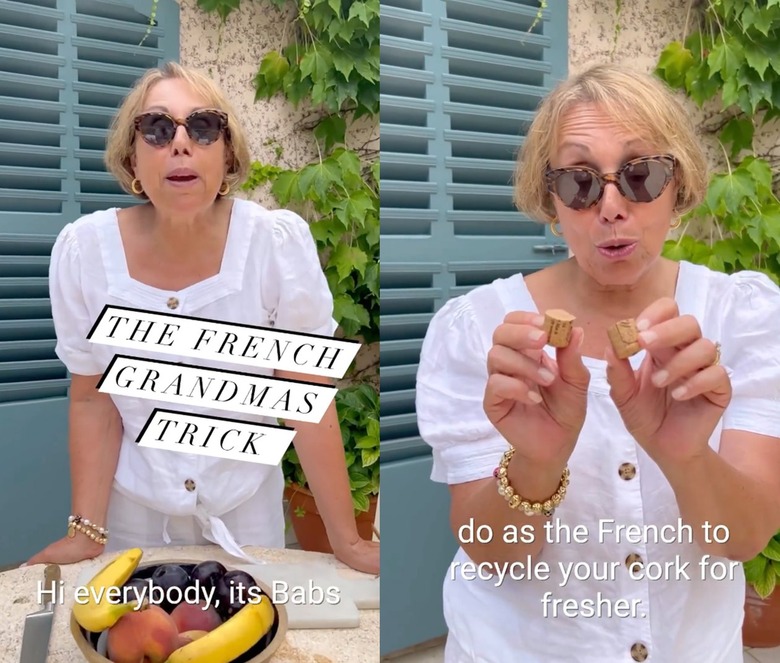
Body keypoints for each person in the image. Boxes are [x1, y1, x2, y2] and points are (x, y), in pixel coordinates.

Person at [415, 63, 780, 662]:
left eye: (640, 175)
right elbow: (490, 550)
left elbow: (744, 537)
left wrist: (685, 456)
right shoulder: (482, 333)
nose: (611, 207)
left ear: (678, 183)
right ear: (550, 199)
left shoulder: (743, 318)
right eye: (580, 183)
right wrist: (537, 461)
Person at [26, 62, 379, 575]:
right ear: (132, 155)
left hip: (246, 513)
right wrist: (84, 534)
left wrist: (346, 540)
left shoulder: (274, 246)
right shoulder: (85, 253)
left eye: (204, 127)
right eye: (158, 128)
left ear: (228, 152)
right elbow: (92, 398)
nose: (181, 144)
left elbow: (305, 396)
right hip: (134, 517)